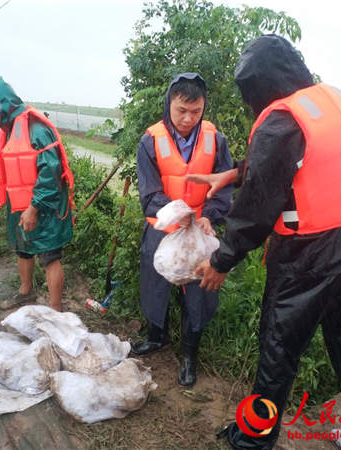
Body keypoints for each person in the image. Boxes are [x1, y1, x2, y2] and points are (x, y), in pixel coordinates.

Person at [188, 35, 341, 449]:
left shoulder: (281, 120)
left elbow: (256, 208)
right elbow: (305, 162)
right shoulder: (334, 102)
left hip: (306, 260)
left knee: (278, 354)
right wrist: (230, 174)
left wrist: (222, 260)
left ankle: (252, 441)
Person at [131, 73, 233, 387]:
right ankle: (155, 336)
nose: (188, 119)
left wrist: (210, 217)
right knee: (155, 284)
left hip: (200, 233)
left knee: (197, 294)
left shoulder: (216, 140)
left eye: (196, 111)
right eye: (181, 111)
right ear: (169, 105)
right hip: (162, 228)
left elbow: (225, 186)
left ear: (203, 107)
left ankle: (190, 356)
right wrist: (179, 213)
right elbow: (149, 194)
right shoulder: (151, 140)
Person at [0, 76, 74, 312]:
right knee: (23, 250)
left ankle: (56, 311)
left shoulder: (38, 130)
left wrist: (34, 208)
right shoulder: (10, 129)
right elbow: (14, 167)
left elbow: (51, 174)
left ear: (5, 106)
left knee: (49, 257)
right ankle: (26, 292)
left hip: (45, 206)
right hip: (19, 205)